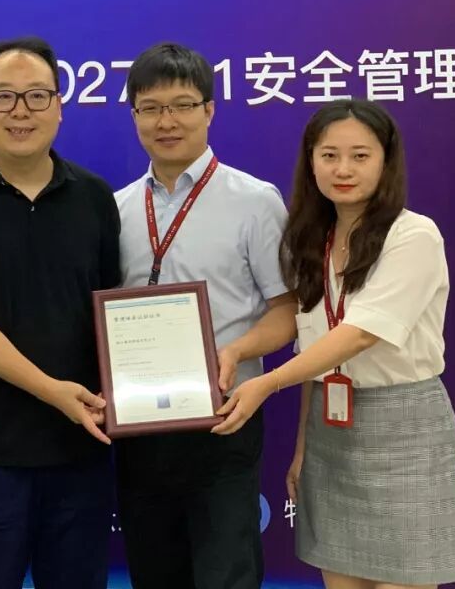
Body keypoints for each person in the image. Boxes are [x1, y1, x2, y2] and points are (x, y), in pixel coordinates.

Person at [215, 98, 455, 588]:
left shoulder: (413, 235)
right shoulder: (312, 241)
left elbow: (359, 334)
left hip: (405, 431)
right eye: (329, 155)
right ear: (311, 162)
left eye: (360, 155)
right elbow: (317, 353)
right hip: (331, 432)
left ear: (386, 161)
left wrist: (266, 383)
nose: (343, 169)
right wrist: (304, 447)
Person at [0, 36, 121, 589]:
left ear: (59, 106)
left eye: (36, 96)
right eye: (3, 97)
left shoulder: (94, 197)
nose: (21, 112)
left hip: (81, 444)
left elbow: (112, 314)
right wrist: (53, 391)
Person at [112, 42, 298, 589]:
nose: (166, 121)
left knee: (226, 573)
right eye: (150, 108)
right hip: (141, 427)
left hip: (224, 419)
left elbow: (287, 311)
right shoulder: (117, 208)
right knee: (154, 572)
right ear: (134, 115)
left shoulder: (255, 201)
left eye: (182, 105)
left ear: (209, 110)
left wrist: (236, 351)